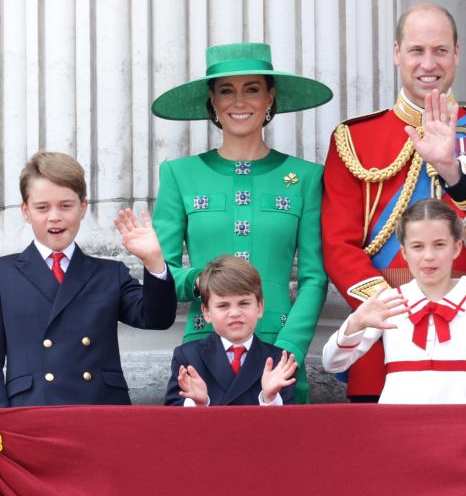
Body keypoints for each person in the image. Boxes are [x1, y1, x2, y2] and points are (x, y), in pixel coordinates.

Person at [322, 3, 466, 402]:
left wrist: (454, 172)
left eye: (440, 50)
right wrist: (391, 310)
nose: (428, 63)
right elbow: (337, 246)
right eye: (417, 50)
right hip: (385, 339)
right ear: (397, 53)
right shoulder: (354, 139)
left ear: (457, 53)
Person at [151, 42, 332, 403]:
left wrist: (287, 349)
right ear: (212, 101)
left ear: (270, 97)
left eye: (252, 89)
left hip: (280, 357)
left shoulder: (307, 177)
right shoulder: (178, 175)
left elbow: (315, 277)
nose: (239, 101)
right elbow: (162, 273)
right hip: (204, 351)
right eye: (226, 90)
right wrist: (201, 279)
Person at [0, 151, 177, 406]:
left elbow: (157, 318)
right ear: (26, 212)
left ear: (83, 208)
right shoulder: (5, 273)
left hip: (100, 409)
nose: (55, 216)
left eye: (66, 205)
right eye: (42, 207)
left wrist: (154, 261)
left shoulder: (109, 273)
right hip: (32, 412)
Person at [322, 199, 466, 404]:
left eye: (439, 245)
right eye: (417, 246)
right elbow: (332, 363)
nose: (428, 256)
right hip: (397, 425)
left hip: (460, 425)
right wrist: (356, 322)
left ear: (456, 248)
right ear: (404, 253)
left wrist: (461, 421)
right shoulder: (390, 300)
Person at [165, 256, 297, 406]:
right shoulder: (188, 357)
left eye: (244, 303)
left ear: (259, 307)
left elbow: (289, 425)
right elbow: (172, 420)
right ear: (206, 312)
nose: (234, 313)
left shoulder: (279, 360)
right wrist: (199, 404)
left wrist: (270, 398)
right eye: (223, 306)